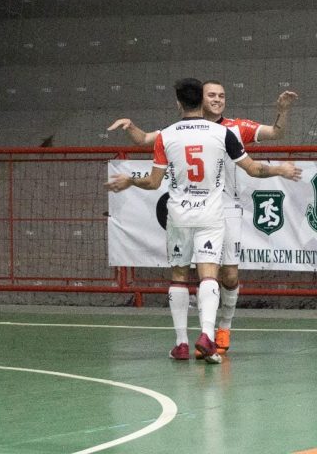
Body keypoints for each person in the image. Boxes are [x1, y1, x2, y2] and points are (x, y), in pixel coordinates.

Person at [105, 78, 301, 363]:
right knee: (209, 274)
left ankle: (196, 338)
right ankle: (204, 336)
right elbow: (253, 168)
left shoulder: (190, 132)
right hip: (211, 213)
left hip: (198, 212)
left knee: (198, 275)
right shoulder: (217, 134)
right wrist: (279, 169)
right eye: (213, 94)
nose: (218, 99)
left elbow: (153, 180)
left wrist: (130, 180)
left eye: (222, 95)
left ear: (179, 103)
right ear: (202, 99)